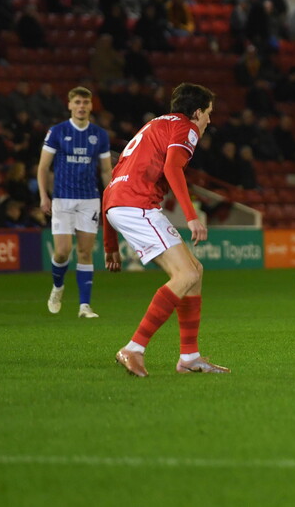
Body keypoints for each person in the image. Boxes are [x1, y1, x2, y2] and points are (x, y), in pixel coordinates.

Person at [101, 83, 229, 377]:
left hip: (120, 205)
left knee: (194, 271)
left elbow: (111, 185)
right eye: (208, 113)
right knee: (185, 274)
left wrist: (110, 245)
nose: (210, 119)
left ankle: (189, 357)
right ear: (196, 112)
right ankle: (134, 348)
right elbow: (173, 169)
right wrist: (192, 216)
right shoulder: (186, 128)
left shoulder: (154, 125)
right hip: (138, 205)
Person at [37, 86, 112, 319]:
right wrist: (43, 196)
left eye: (86, 103)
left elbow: (106, 171)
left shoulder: (100, 135)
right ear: (69, 105)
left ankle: (84, 306)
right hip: (62, 198)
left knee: (85, 251)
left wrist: (111, 196)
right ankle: (58, 287)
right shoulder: (57, 132)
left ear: (91, 106)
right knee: (62, 252)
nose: (81, 106)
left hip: (89, 199)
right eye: (77, 102)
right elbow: (43, 167)